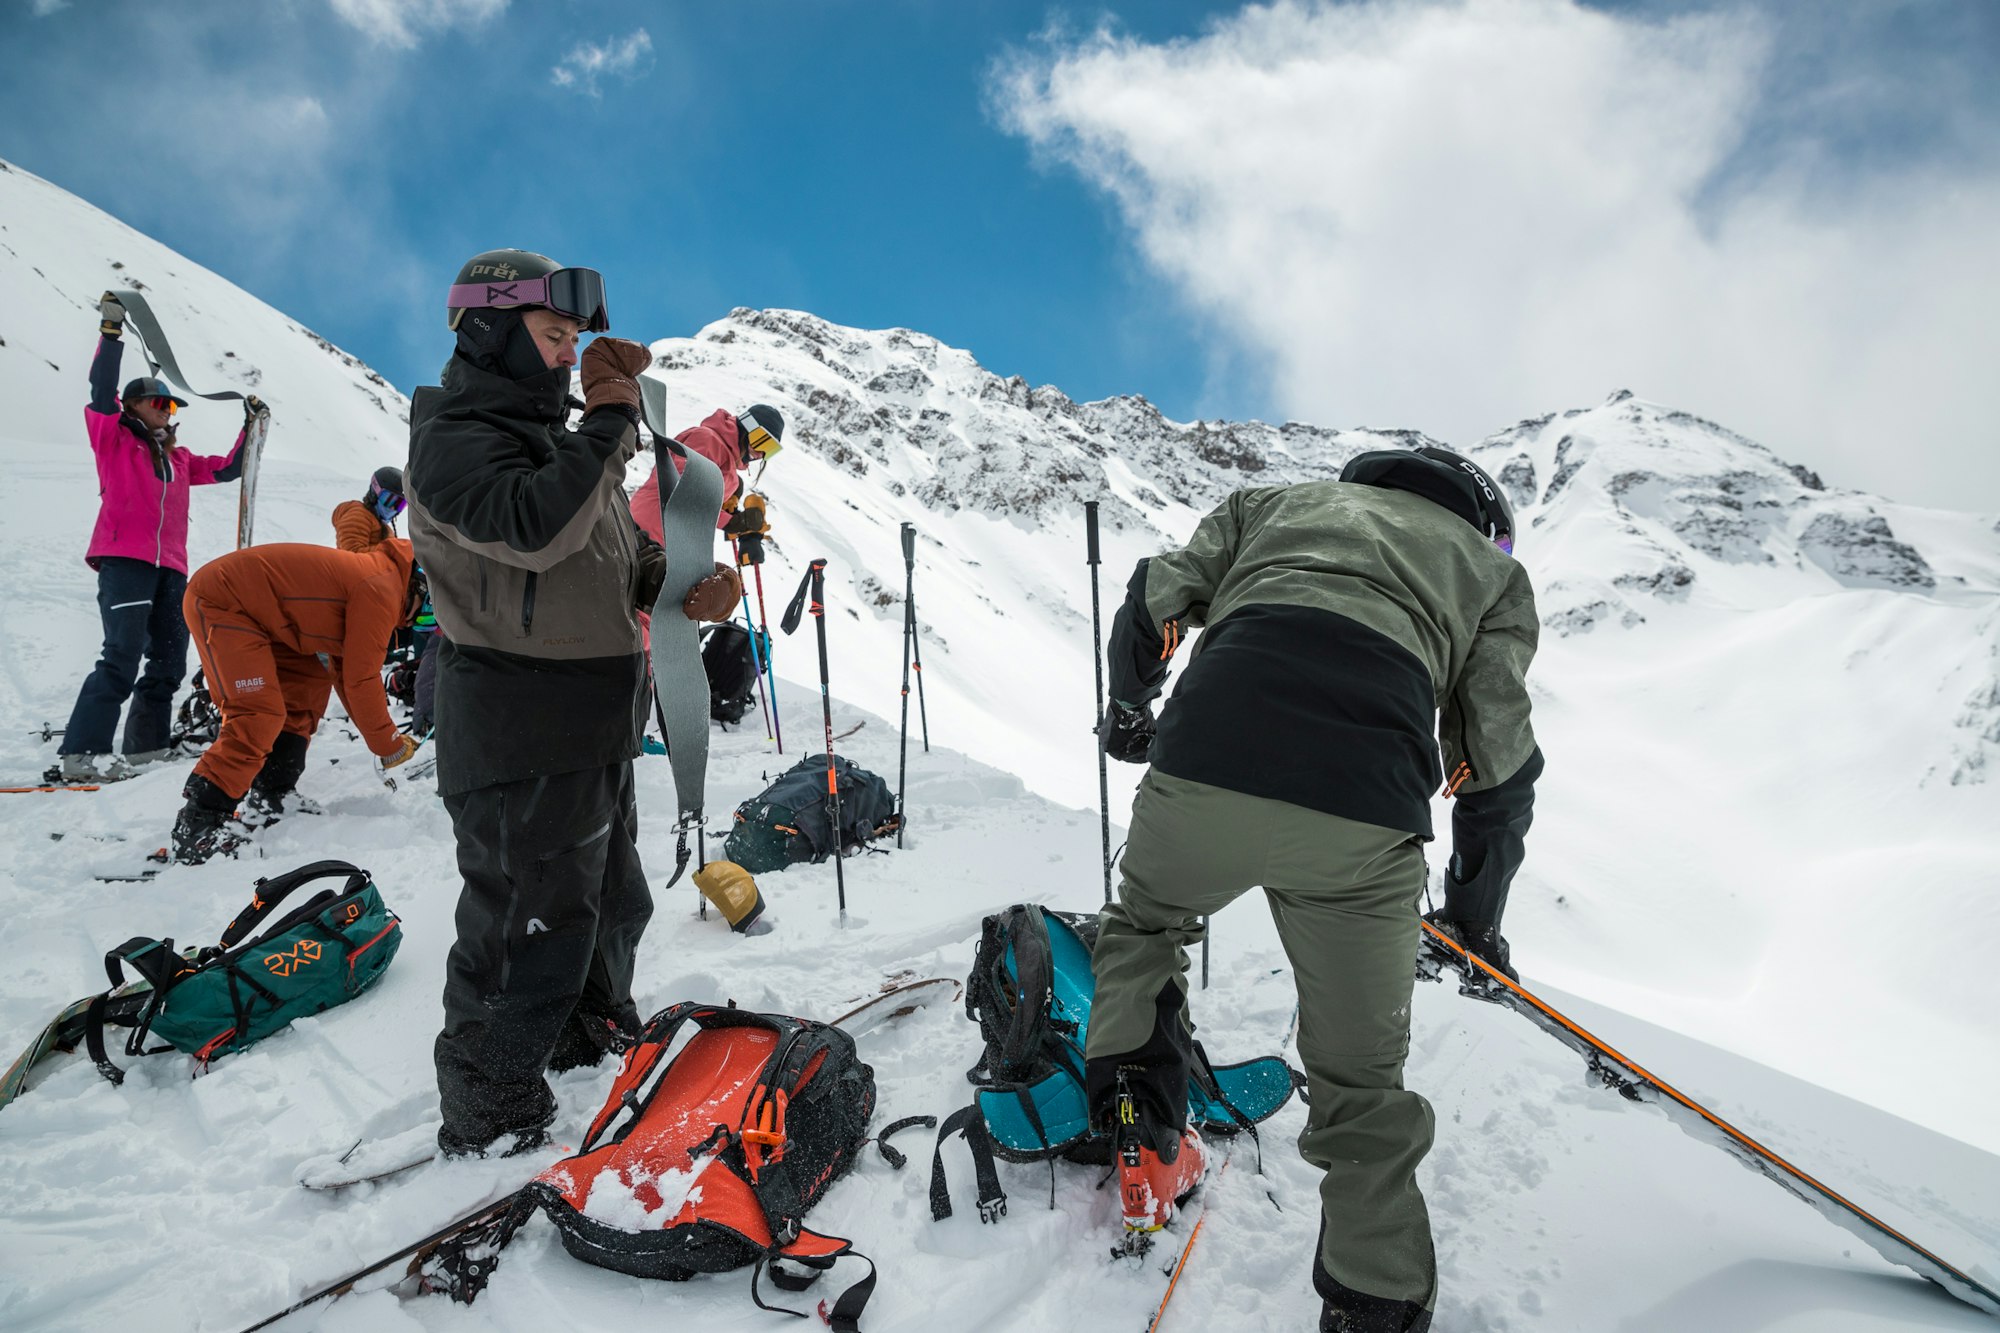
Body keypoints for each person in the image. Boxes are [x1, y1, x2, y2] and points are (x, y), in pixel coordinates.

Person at [1088, 446, 1543, 1333]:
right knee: (1363, 1083)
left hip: (1205, 763)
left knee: (1141, 929)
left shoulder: (1272, 503)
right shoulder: (1491, 574)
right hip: (1364, 811)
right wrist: (1473, 924)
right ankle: (1374, 1303)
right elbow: (1500, 761)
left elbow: (1150, 596)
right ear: (1485, 524)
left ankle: (1139, 1126)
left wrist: (1131, 710)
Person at [407, 249, 740, 1160]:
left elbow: (610, 563)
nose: (564, 354)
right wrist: (609, 421)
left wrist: (684, 583)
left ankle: (590, 1039)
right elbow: (536, 529)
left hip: (594, 726)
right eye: (552, 336)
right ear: (489, 328)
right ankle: (489, 1109)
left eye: (570, 340)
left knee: (609, 904)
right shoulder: (453, 438)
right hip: (519, 730)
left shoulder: (560, 448)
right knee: (523, 932)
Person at [55, 293, 261, 783]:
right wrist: (111, 333)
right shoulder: (113, 438)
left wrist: (250, 423)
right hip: (125, 560)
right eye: (158, 402)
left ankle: (146, 751)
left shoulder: (180, 459)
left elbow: (230, 469)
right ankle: (82, 754)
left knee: (169, 658)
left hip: (172, 567)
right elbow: (100, 390)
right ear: (133, 407)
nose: (167, 410)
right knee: (121, 656)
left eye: (171, 404)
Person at [172, 541, 425, 861]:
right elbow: (362, 680)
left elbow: (345, 672)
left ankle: (273, 792)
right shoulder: (381, 587)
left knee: (304, 693)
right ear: (419, 583)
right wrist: (389, 744)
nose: (414, 623)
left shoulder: (382, 578)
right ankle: (200, 822)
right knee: (256, 713)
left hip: (276, 623)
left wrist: (383, 740)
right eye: (426, 613)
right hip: (225, 601)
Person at [333, 466, 406, 552]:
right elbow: (352, 554)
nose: (392, 508)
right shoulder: (358, 515)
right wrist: (394, 553)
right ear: (374, 493)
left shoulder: (386, 529)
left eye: (399, 504)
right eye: (389, 500)